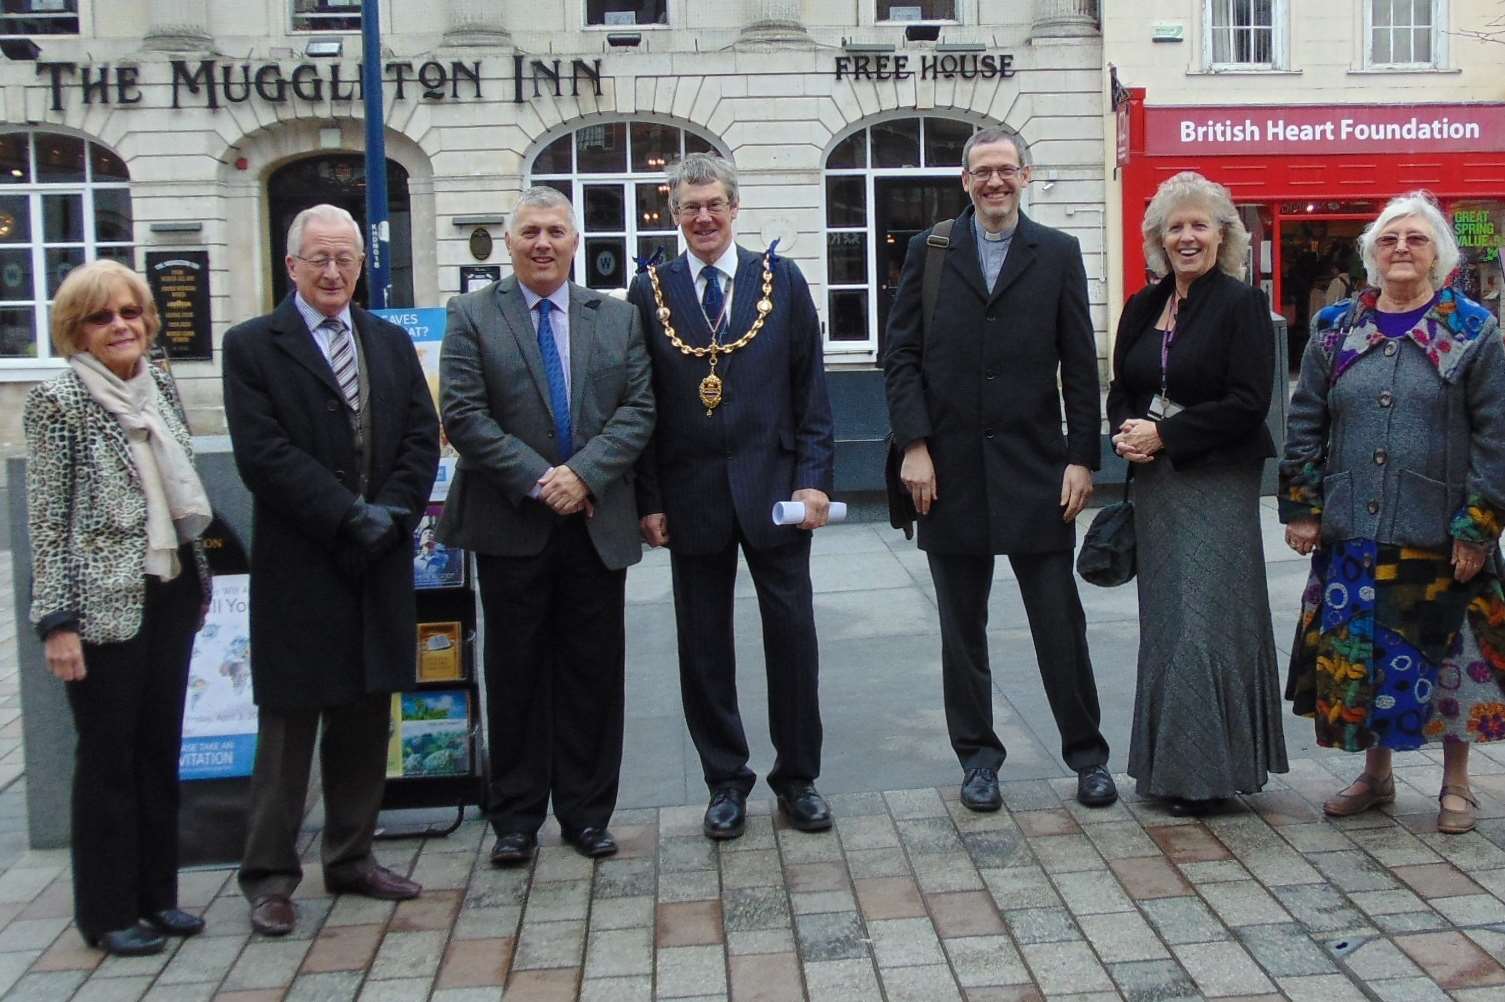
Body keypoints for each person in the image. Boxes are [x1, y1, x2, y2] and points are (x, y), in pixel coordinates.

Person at [884, 127, 1116, 811]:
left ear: (1025, 176)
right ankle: (977, 759)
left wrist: (1082, 458)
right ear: (965, 181)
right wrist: (913, 445)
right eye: (981, 172)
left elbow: (1079, 363)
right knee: (962, 631)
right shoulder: (929, 252)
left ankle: (1086, 756)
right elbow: (899, 358)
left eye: (1005, 171)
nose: (993, 182)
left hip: (1035, 469)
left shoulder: (1057, 252)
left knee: (1058, 623)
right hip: (945, 473)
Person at [223, 204, 439, 935]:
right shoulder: (253, 346)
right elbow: (264, 456)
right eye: (318, 257)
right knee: (288, 732)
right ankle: (270, 878)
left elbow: (419, 434)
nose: (333, 271)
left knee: (363, 715)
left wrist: (397, 512)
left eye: (345, 257)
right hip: (303, 563)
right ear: (291, 266)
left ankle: (351, 857)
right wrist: (350, 512)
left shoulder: (385, 340)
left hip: (376, 559)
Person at [439, 187, 654, 865]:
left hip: (595, 521)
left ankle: (587, 814)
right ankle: (517, 819)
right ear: (509, 242)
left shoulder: (615, 318)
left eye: (555, 231)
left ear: (573, 242)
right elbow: (465, 416)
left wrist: (582, 475)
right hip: (512, 524)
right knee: (516, 672)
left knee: (593, 672)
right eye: (529, 231)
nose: (542, 243)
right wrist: (542, 480)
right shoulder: (471, 315)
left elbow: (639, 409)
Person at [1281, 191, 1505, 835]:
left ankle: (1456, 785)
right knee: (1368, 656)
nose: (1401, 249)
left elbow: (1495, 433)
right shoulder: (1336, 328)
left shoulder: (1471, 329)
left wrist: (1479, 525)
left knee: (1451, 659)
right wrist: (1304, 505)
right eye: (1388, 240)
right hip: (1354, 526)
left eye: (1416, 239)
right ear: (1371, 255)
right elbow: (1306, 420)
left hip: (1441, 530)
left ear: (1440, 254)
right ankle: (1376, 777)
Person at [628, 153, 836, 840]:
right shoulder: (650, 289)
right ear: (673, 214)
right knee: (703, 646)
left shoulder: (778, 279)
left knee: (795, 641)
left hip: (774, 490)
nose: (703, 218)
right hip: (691, 497)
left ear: (735, 207)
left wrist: (813, 479)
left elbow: (810, 390)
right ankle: (725, 781)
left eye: (714, 204)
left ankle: (797, 778)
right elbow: (643, 403)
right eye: (689, 207)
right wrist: (647, 498)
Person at [24, 259, 213, 956]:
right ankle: (105, 914)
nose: (120, 327)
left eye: (130, 313)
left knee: (158, 753)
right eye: (103, 318)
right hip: (102, 607)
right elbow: (47, 522)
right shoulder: (57, 403)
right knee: (107, 762)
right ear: (77, 331)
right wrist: (57, 622)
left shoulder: (157, 385)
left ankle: (156, 898)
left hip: (167, 592)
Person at [1107, 171, 1288, 816]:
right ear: (1158, 238)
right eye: (1174, 227)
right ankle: (1170, 769)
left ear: (1223, 236)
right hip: (1156, 485)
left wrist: (1166, 434)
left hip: (1214, 479)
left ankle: (1210, 773)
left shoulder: (1241, 307)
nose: (1186, 237)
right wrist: (1126, 432)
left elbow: (1249, 403)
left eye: (1199, 225)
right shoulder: (1140, 305)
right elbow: (1122, 386)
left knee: (1203, 624)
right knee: (1167, 623)